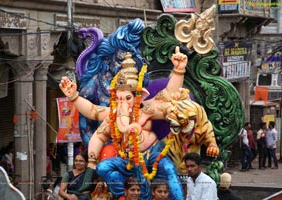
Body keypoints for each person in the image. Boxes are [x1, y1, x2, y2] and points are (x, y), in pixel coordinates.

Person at [59, 46, 189, 199]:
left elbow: (168, 93)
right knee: (103, 168)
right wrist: (74, 96)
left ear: (138, 96)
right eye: (119, 99)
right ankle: (127, 195)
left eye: (127, 98)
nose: (123, 103)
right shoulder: (113, 115)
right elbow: (92, 110)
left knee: (168, 169)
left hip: (153, 153)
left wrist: (179, 70)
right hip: (127, 159)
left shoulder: (146, 108)